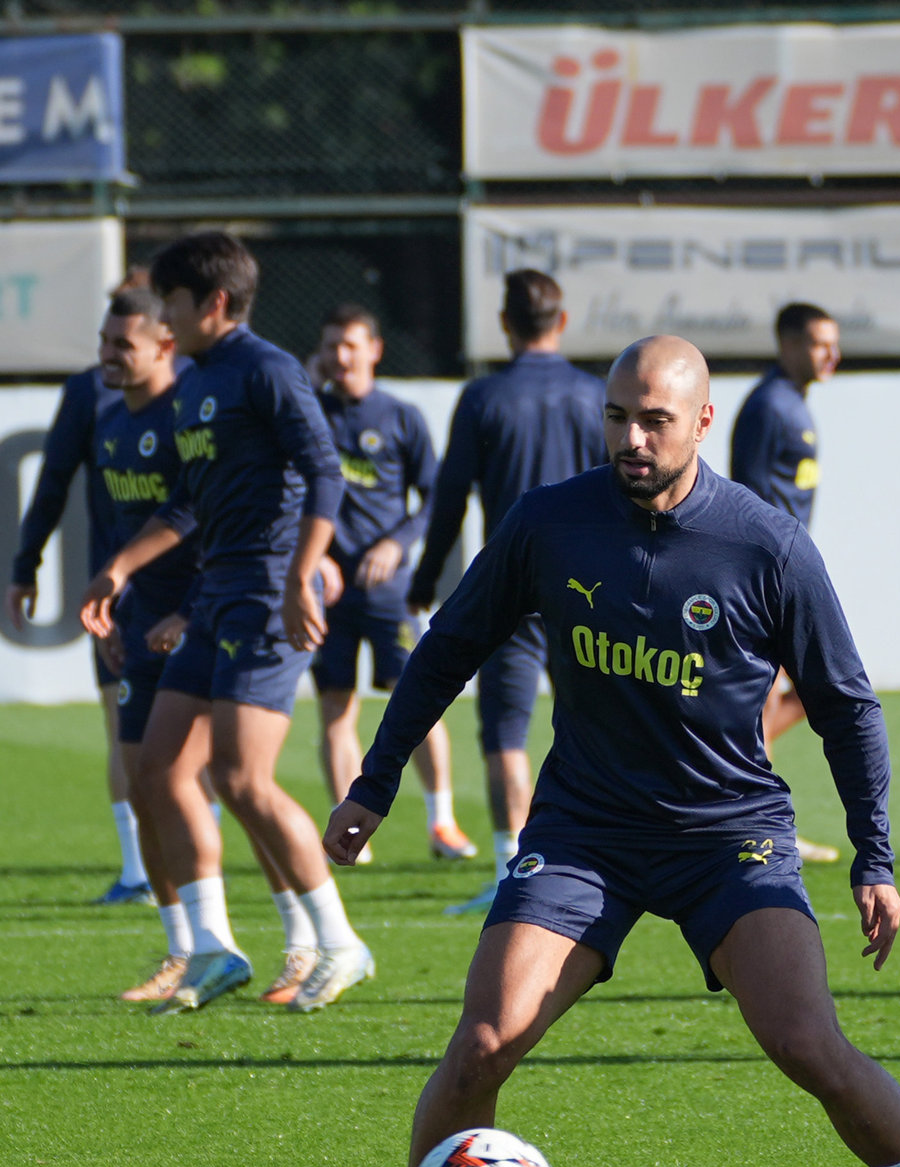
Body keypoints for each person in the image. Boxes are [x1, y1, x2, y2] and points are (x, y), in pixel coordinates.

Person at [332, 335, 900, 1167]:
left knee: (805, 1042)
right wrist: (374, 782)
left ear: (703, 421)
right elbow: (448, 649)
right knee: (483, 1041)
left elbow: (846, 704)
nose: (631, 437)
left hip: (728, 836)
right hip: (583, 834)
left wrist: (874, 857)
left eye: (654, 418)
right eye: (617, 416)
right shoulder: (549, 524)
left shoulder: (764, 541)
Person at [80, 231, 375, 1013]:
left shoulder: (267, 370)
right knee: (160, 768)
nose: (165, 322)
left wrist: (304, 575)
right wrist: (122, 568)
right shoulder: (197, 383)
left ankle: (337, 942)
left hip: (266, 593)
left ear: (212, 302)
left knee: (244, 778)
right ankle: (211, 948)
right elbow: (186, 502)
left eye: (173, 304)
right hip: (214, 595)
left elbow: (322, 471)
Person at [410, 270, 606, 915]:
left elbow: (450, 497)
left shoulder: (484, 397)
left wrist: (428, 575)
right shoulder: (591, 395)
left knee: (505, 734)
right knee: (599, 724)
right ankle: (611, 857)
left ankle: (512, 871)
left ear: (505, 323)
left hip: (514, 586)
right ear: (562, 320)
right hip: (589, 586)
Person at [9, 268, 166, 907]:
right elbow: (51, 482)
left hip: (192, 598)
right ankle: (138, 873)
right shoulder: (88, 395)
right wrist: (26, 564)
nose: (112, 350)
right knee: (120, 728)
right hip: (118, 599)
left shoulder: (197, 397)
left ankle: (185, 872)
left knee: (196, 746)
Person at [67, 290, 202, 998]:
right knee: (147, 784)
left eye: (123, 343)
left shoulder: (193, 419)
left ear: (163, 347)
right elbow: (124, 533)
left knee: (228, 785)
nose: (108, 354)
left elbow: (212, 519)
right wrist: (116, 604)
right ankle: (184, 949)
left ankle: (306, 938)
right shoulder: (111, 423)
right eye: (105, 340)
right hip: (139, 624)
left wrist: (191, 609)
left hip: (203, 619)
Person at [309, 304, 473, 868]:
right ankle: (350, 827)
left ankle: (442, 821)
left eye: (350, 344)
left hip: (386, 590)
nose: (340, 356)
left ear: (375, 350)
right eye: (331, 345)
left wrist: (395, 543)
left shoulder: (400, 417)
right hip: (328, 592)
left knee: (419, 699)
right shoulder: (310, 415)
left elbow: (433, 498)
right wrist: (317, 559)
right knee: (335, 707)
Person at [730, 301, 844, 865]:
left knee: (801, 690)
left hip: (788, 576)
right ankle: (759, 824)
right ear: (788, 344)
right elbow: (746, 500)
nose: (832, 354)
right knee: (774, 693)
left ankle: (752, 808)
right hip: (765, 581)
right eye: (821, 343)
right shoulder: (770, 407)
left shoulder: (791, 403)